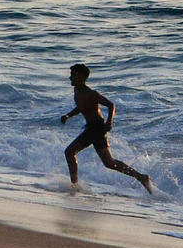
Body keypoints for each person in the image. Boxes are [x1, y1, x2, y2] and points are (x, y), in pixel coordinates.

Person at [60, 62, 153, 193]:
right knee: (109, 163)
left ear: (81, 77)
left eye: (73, 75)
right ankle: (142, 177)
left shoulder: (91, 94)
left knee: (70, 152)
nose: (70, 77)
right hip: (92, 128)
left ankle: (74, 186)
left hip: (97, 128)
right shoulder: (77, 91)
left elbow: (111, 105)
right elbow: (82, 107)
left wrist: (109, 122)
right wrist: (68, 115)